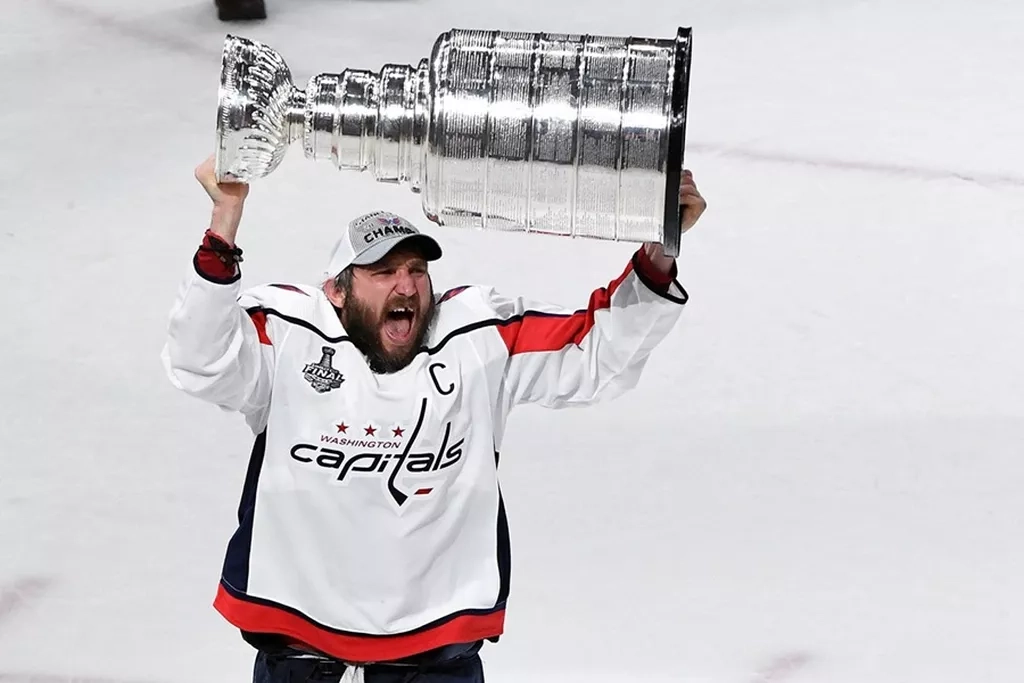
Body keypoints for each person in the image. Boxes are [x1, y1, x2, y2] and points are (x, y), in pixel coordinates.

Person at [161, 155, 707, 683]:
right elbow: (199, 359)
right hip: (300, 661)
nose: (406, 286)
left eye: (417, 270)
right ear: (336, 291)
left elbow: (595, 354)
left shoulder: (477, 338)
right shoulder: (289, 337)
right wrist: (224, 223)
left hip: (436, 664)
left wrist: (659, 253)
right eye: (383, 272)